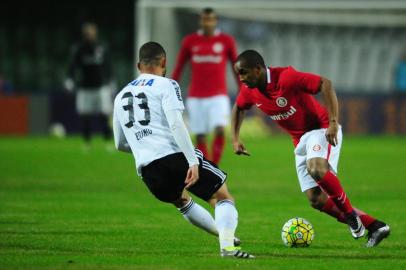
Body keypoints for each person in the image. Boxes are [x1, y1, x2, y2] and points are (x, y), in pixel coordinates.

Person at [231, 50, 390, 247]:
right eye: (239, 74)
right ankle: (376, 226)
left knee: (316, 169)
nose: (241, 78)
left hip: (321, 129)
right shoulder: (249, 91)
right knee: (316, 199)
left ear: (258, 69)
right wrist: (235, 138)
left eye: (244, 72)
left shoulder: (287, 78)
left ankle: (351, 216)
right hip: (299, 141)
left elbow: (326, 84)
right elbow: (238, 107)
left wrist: (333, 122)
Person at [113, 41, 254, 259]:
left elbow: (120, 144)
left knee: (182, 201)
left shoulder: (121, 95)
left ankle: (224, 236)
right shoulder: (166, 85)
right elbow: (176, 124)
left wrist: (146, 144)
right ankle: (227, 248)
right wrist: (192, 161)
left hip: (147, 169)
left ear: (138, 65)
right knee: (223, 196)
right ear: (164, 62)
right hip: (174, 156)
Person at [172, 8, 238, 165]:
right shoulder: (190, 41)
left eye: (210, 20)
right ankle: (207, 167)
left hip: (219, 95)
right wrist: (170, 87)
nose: (207, 23)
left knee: (220, 129)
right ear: (200, 21)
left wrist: (244, 90)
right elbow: (179, 67)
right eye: (204, 20)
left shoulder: (226, 41)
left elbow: (237, 67)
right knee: (200, 135)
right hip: (196, 96)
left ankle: (214, 165)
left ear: (215, 21)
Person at [65, 22, 113, 149]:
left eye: (91, 32)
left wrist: (111, 80)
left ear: (95, 33)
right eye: (87, 33)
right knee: (85, 116)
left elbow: (108, 65)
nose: (89, 35)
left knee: (105, 114)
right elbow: (72, 65)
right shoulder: (79, 49)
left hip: (101, 86)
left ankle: (108, 141)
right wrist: (69, 79)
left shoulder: (102, 47)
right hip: (85, 87)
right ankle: (87, 143)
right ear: (83, 34)